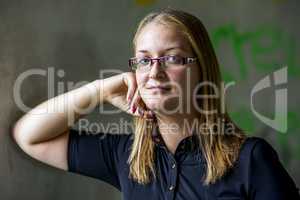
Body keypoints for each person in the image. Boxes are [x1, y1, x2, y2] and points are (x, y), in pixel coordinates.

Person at [12, 8, 300, 200]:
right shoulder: (126, 156)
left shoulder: (250, 159)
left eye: (172, 58)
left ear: (202, 69)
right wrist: (103, 88)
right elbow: (29, 135)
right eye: (144, 60)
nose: (154, 72)